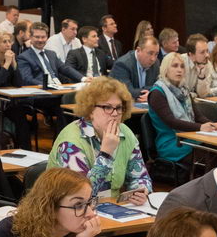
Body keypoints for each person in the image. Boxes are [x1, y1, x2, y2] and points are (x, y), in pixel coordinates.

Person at [51, 78, 152, 206]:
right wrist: (106, 154)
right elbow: (79, 195)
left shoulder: (125, 133)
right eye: (107, 107)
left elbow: (141, 177)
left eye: (119, 108)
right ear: (90, 110)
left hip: (111, 208)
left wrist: (141, 191)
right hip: (70, 211)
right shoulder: (70, 142)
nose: (115, 114)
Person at [148, 52, 217, 162]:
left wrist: (212, 125)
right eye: (175, 66)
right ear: (165, 69)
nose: (179, 70)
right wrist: (200, 127)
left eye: (182, 66)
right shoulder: (157, 92)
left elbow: (198, 116)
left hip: (190, 136)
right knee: (212, 154)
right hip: (171, 143)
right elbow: (171, 122)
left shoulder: (184, 90)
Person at [110, 36, 161, 104]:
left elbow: (160, 86)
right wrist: (152, 93)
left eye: (156, 54)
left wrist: (151, 93)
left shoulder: (156, 63)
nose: (153, 59)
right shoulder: (122, 64)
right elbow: (128, 93)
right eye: (150, 53)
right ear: (138, 50)